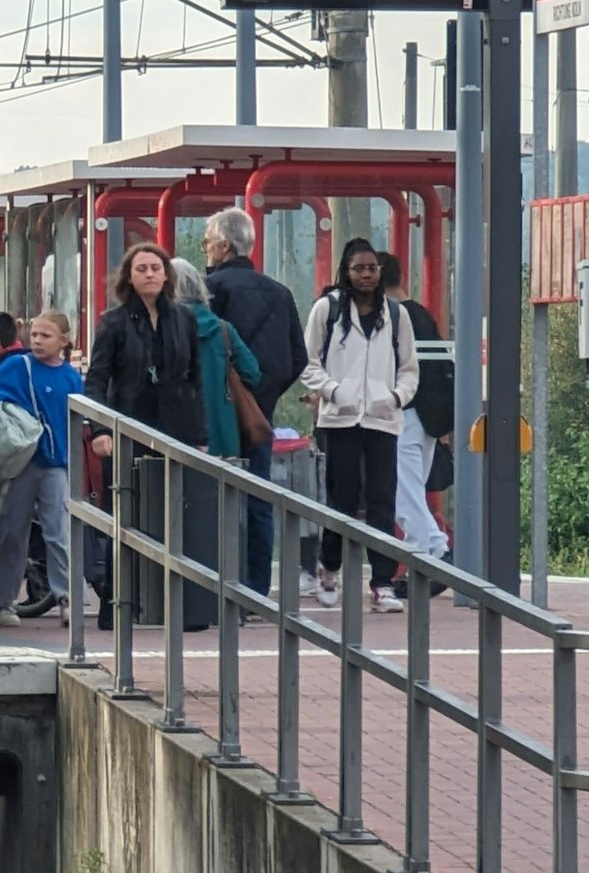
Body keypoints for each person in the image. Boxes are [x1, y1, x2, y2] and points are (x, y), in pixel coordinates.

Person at [84, 243, 208, 631]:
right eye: (142, 268)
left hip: (176, 428)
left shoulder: (184, 320)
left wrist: (200, 435)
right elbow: (97, 381)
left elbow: (196, 380)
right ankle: (115, 603)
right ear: (130, 276)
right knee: (126, 514)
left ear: (167, 275)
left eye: (156, 267)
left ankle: (182, 606)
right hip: (128, 427)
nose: (150, 274)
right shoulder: (114, 322)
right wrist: (100, 430)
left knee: (179, 515)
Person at [299, 238, 419, 614]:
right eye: (359, 268)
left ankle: (382, 582)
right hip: (340, 419)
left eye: (372, 268)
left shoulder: (397, 315)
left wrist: (395, 397)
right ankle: (330, 569)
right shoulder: (328, 310)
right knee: (343, 498)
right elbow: (307, 363)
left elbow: (410, 369)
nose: (366, 275)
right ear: (346, 272)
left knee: (383, 500)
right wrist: (334, 391)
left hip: (383, 419)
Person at [202, 206, 308, 604]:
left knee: (210, 493)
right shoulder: (279, 293)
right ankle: (257, 587)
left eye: (208, 242)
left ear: (224, 246)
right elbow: (297, 358)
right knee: (257, 495)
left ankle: (215, 578)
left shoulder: (212, 289)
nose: (205, 251)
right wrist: (262, 396)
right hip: (259, 414)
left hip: (215, 413)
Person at [0, 311, 81, 626]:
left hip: (55, 464)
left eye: (46, 336)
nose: (38, 341)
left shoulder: (71, 376)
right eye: (35, 334)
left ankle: (67, 597)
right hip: (22, 462)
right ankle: (1, 602)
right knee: (12, 531)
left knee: (58, 531)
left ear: (64, 341)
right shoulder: (18, 366)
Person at [380, 252, 452, 569]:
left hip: (405, 414)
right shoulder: (422, 314)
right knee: (410, 491)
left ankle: (431, 554)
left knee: (403, 494)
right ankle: (434, 548)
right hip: (429, 417)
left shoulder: (394, 317)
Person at [172, 258, 264, 461]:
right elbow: (253, 373)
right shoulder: (223, 329)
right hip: (223, 437)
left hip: (175, 438)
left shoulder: (162, 329)